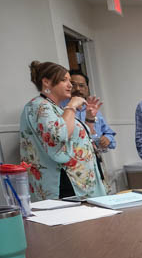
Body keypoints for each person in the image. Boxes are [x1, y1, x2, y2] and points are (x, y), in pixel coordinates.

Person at [20, 61, 106, 201]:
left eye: (69, 80)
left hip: (79, 180)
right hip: (63, 182)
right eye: (64, 80)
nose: (70, 85)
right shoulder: (39, 106)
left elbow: (79, 139)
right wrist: (71, 105)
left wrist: (89, 119)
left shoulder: (56, 108)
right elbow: (59, 135)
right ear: (46, 82)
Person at [61, 70, 115, 181]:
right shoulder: (62, 109)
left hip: (96, 161)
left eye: (82, 86)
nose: (77, 89)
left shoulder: (92, 109)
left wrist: (108, 138)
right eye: (73, 85)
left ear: (87, 88)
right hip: (72, 166)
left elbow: (109, 134)